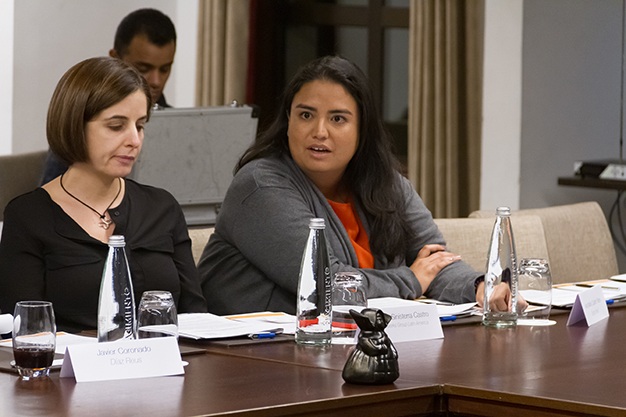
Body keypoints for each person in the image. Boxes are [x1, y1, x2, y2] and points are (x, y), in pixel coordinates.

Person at [198, 55, 519, 315]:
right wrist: (410, 279)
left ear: (363, 129)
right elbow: (326, 284)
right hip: (251, 357)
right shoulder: (260, 186)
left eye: (337, 119)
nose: (319, 131)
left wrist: (481, 286)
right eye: (306, 115)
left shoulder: (387, 184)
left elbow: (434, 261)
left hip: (349, 347)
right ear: (287, 121)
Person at [0, 57, 207, 332]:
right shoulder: (28, 216)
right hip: (67, 360)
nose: (134, 140)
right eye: (116, 126)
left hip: (164, 356)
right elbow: (23, 333)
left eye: (140, 126)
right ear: (75, 125)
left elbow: (196, 318)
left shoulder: (162, 207)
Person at [40, 8, 177, 185]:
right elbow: (52, 193)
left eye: (165, 69)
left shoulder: (180, 126)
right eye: (116, 126)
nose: (156, 81)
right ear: (115, 58)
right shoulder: (84, 117)